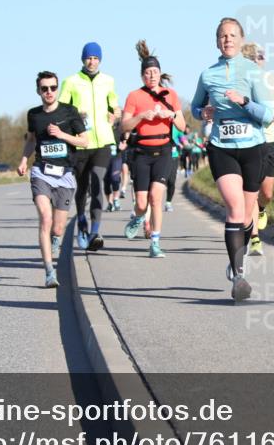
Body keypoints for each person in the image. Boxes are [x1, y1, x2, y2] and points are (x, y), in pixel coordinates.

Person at [190, 18, 274, 300]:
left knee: (248, 218)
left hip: (253, 148)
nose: (227, 40)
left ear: (241, 39)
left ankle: (238, 255)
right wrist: (204, 114)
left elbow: (267, 115)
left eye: (232, 35)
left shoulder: (252, 72)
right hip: (221, 147)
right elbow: (195, 107)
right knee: (235, 209)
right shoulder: (208, 75)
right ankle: (239, 277)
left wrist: (244, 102)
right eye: (223, 36)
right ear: (217, 41)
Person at [17, 71, 88, 287]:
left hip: (65, 175)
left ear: (57, 88)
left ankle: (56, 238)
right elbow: (31, 140)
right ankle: (49, 271)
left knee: (57, 228)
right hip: (41, 172)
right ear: (38, 90)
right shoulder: (34, 115)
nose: (49, 92)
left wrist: (62, 135)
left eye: (53, 88)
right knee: (45, 219)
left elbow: (84, 141)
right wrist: (23, 160)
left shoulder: (70, 112)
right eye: (44, 88)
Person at [121, 41, 187, 258]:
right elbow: (124, 126)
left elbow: (183, 126)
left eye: (155, 72)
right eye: (147, 72)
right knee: (141, 203)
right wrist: (141, 116)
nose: (151, 75)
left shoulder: (171, 95)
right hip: (141, 153)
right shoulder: (134, 96)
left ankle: (155, 243)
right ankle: (139, 217)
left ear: (160, 74)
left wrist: (172, 115)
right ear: (142, 76)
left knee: (156, 198)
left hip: (164, 151)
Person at [58, 41, 119, 252]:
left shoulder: (108, 81)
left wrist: (115, 114)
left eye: (95, 58)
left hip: (102, 140)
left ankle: (95, 231)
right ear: (82, 59)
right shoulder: (71, 82)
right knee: (82, 187)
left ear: (100, 59)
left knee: (97, 181)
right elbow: (61, 110)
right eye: (88, 58)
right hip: (81, 143)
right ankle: (81, 218)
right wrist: (75, 115)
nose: (91, 62)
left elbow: (115, 106)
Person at [241, 42, 274, 256]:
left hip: (270, 141)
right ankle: (254, 239)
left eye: (261, 56)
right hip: (248, 143)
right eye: (253, 57)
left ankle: (262, 210)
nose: (258, 60)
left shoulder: (272, 80)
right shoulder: (241, 83)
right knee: (252, 192)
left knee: (267, 193)